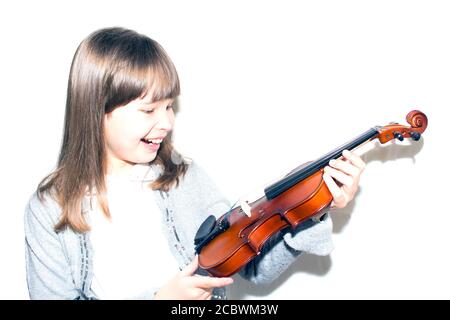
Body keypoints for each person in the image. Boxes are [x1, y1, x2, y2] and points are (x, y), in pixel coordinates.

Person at [24, 27, 366, 300]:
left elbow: (253, 266)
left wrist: (315, 207)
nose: (167, 123)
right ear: (96, 111)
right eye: (149, 110)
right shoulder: (47, 209)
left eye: (169, 106)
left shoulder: (184, 178)